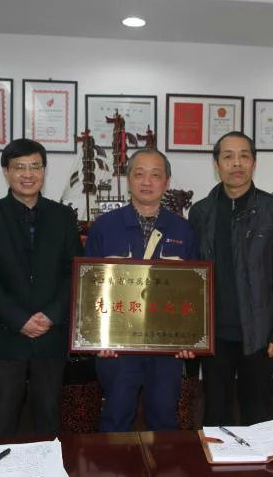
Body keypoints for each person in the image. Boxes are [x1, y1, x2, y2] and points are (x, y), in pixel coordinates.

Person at [0, 138, 82, 436]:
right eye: (19, 167)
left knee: (49, 417)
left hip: (51, 335)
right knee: (1, 418)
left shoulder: (63, 216)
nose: (28, 174)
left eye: (35, 166)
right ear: (6, 171)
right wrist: (19, 319)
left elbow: (74, 272)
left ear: (44, 171)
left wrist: (51, 315)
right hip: (5, 335)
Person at [189, 131, 273, 426]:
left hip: (260, 335)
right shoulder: (201, 212)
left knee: (259, 416)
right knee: (216, 415)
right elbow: (192, 277)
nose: (236, 163)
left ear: (254, 163)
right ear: (217, 164)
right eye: (228, 156)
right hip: (214, 335)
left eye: (244, 156)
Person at [85, 148, 197, 432]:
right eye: (139, 174)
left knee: (164, 419)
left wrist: (191, 338)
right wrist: (98, 338)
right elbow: (89, 288)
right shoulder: (104, 227)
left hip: (167, 347)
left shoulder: (184, 230)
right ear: (128, 178)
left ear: (166, 182)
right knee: (115, 417)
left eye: (155, 175)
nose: (147, 182)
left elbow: (195, 291)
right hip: (117, 347)